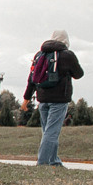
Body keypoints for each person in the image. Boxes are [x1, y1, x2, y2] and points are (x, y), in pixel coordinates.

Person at [22, 29, 85, 167]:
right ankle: (43, 163)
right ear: (66, 41)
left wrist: (26, 99)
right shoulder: (67, 55)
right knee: (52, 132)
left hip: (42, 99)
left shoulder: (40, 54)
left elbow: (31, 79)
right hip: (59, 99)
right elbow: (79, 74)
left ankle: (53, 161)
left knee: (48, 132)